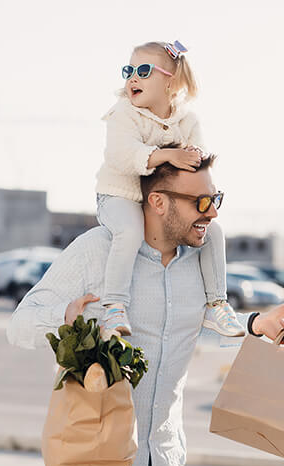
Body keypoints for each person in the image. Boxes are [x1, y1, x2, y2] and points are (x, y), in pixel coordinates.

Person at [7, 154, 284, 466]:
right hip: (102, 463)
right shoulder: (97, 251)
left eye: (216, 198)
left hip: (166, 462)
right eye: (202, 201)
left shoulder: (199, 261)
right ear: (158, 201)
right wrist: (67, 324)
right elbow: (19, 325)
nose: (214, 212)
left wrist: (256, 324)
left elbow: (188, 327)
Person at [95, 40, 243, 338]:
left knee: (213, 230)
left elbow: (198, 158)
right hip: (119, 194)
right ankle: (114, 306)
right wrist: (168, 154)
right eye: (129, 70)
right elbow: (120, 154)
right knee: (129, 232)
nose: (132, 78)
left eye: (144, 70)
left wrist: (191, 153)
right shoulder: (123, 113)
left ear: (169, 82)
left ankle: (216, 303)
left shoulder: (187, 119)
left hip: (160, 202)